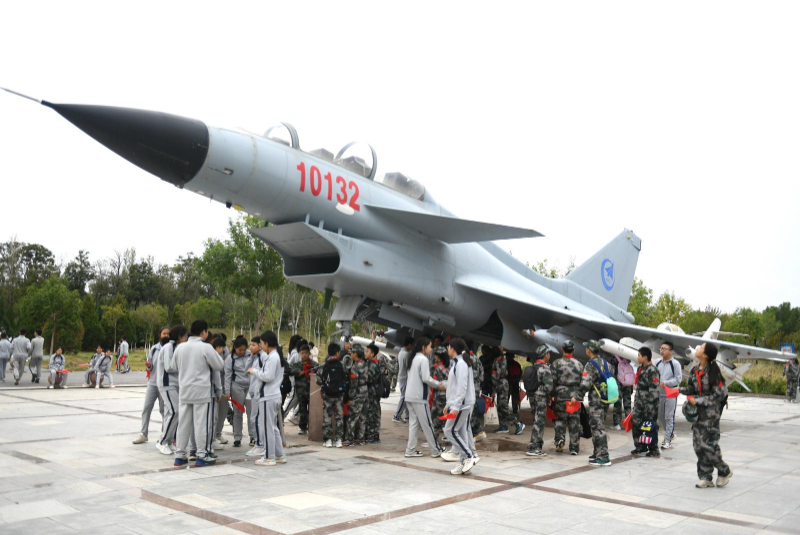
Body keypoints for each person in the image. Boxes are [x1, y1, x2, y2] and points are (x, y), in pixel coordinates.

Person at [167, 320, 225, 467]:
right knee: (201, 424)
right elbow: (218, 365)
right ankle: (202, 455)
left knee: (183, 424)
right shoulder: (206, 347)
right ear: (204, 332)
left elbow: (173, 366)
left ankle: (180, 455)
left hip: (185, 391)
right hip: (201, 392)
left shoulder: (180, 347)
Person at [680, 342, 732, 488]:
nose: (697, 348)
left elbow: (720, 394)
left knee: (708, 445)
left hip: (711, 415)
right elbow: (691, 388)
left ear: (705, 355)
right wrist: (677, 390)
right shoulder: (695, 370)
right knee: (698, 446)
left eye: (701, 347)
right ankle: (705, 477)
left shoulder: (714, 372)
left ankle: (724, 470)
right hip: (698, 415)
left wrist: (698, 401)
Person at [248, 331, 286, 466]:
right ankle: (280, 454)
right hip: (273, 395)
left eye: (262, 343)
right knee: (273, 427)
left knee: (267, 427)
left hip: (268, 396)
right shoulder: (276, 356)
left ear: (267, 343)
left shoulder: (272, 357)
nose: (261, 345)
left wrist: (253, 371)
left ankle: (269, 457)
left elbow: (267, 376)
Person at [404, 337, 446, 459]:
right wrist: (438, 384)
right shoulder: (423, 359)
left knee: (414, 424)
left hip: (410, 395)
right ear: (423, 347)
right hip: (419, 397)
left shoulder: (413, 358)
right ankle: (435, 450)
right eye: (429, 346)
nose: (431, 349)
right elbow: (426, 378)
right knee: (427, 424)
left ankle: (410, 450)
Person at [572, 340, 611, 466]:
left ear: (589, 350)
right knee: (597, 426)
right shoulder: (606, 363)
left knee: (598, 428)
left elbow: (585, 383)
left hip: (596, 400)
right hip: (605, 399)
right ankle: (597, 452)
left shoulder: (590, 364)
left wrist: (577, 397)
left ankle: (603, 457)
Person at [443, 338, 477, 476]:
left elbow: (462, 387)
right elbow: (454, 387)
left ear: (453, 349)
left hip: (462, 405)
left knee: (449, 430)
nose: (447, 349)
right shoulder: (457, 363)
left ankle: (469, 456)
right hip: (459, 404)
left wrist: (456, 406)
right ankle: (463, 462)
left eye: (449, 347)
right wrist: (449, 404)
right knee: (461, 433)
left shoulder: (461, 364)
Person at [132, 327, 169, 445]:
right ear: (160, 335)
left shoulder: (171, 349)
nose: (166, 336)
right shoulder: (154, 349)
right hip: (152, 383)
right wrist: (148, 366)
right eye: (164, 333)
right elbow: (150, 367)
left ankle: (164, 434)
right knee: (147, 408)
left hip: (165, 385)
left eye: (168, 334)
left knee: (164, 410)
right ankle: (143, 433)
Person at [155, 325, 187, 455]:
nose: (186, 338)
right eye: (185, 336)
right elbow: (169, 367)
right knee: (175, 411)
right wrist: (184, 367)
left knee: (172, 413)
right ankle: (162, 442)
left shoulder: (177, 347)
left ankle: (168, 441)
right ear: (179, 336)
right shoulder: (169, 347)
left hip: (174, 384)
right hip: (167, 383)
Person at [553, 341, 582, 455]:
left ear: (562, 349)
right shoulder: (579, 364)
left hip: (560, 396)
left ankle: (560, 440)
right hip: (574, 397)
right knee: (574, 421)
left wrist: (551, 395)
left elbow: (552, 381)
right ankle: (574, 447)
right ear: (574, 350)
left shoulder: (556, 363)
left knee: (560, 420)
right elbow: (583, 382)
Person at [631, 347, 661, 457]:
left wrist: (650, 407)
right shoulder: (640, 369)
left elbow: (654, 390)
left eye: (639, 355)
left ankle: (654, 449)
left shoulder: (652, 370)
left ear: (645, 357)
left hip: (649, 404)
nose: (638, 357)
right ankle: (640, 446)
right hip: (639, 403)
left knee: (650, 425)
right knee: (636, 423)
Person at [526, 345, 554, 457]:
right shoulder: (545, 368)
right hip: (541, 398)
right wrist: (550, 397)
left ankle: (537, 445)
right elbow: (549, 387)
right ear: (545, 355)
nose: (549, 355)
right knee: (539, 422)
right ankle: (533, 447)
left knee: (536, 420)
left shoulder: (534, 367)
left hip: (532, 396)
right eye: (548, 353)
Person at [317, 342, 346, 448]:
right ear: (337, 353)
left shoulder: (324, 365)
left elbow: (318, 379)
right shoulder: (342, 364)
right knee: (339, 417)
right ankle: (338, 440)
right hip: (339, 395)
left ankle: (328, 440)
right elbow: (345, 378)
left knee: (327, 417)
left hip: (327, 395)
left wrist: (324, 385)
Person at [225, 336, 252, 447]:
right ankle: (237, 437)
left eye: (244, 350)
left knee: (251, 412)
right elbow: (227, 376)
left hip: (250, 387)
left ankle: (253, 436)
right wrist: (227, 391)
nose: (242, 352)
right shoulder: (230, 359)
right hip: (237, 387)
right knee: (237, 413)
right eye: (239, 350)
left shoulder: (251, 355)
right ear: (234, 348)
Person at [492, 346, 525, 435]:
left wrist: (493, 390)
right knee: (500, 407)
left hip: (500, 385)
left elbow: (496, 376)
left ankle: (518, 423)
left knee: (504, 407)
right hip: (504, 384)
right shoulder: (503, 360)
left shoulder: (497, 362)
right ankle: (503, 426)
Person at [656, 341, 682, 448]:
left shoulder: (675, 364)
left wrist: (665, 383)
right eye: (661, 348)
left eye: (665, 349)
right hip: (659, 394)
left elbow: (678, 379)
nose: (662, 350)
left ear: (671, 351)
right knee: (660, 416)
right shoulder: (657, 362)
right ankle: (670, 433)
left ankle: (667, 440)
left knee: (669, 417)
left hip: (670, 394)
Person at [290, 344, 317, 436]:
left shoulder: (314, 365)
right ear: (299, 354)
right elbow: (290, 370)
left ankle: (311, 427)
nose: (304, 355)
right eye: (302, 353)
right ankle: (302, 427)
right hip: (300, 391)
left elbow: (319, 372)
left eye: (306, 353)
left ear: (309, 353)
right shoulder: (297, 365)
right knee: (302, 410)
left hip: (311, 391)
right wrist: (299, 372)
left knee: (312, 410)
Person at [245, 336, 266, 455]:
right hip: (253, 391)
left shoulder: (263, 357)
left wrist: (253, 370)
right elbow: (246, 369)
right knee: (254, 418)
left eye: (253, 345)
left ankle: (260, 445)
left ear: (260, 346)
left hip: (259, 392)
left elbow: (264, 374)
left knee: (256, 419)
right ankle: (258, 443)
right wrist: (251, 357)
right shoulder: (255, 357)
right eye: (250, 345)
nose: (251, 347)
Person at [345, 345, 369, 446]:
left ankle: (349, 439)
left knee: (352, 417)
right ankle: (361, 438)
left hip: (357, 394)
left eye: (352, 353)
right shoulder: (365, 364)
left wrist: (350, 397)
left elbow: (354, 383)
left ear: (355, 354)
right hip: (365, 392)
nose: (350, 354)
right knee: (363, 418)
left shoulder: (355, 367)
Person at [430, 346, 451, 445]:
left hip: (440, 396)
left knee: (436, 417)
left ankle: (433, 440)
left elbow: (436, 382)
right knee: (445, 417)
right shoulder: (448, 366)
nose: (434, 357)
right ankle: (449, 438)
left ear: (439, 356)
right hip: (445, 395)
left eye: (436, 355)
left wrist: (441, 385)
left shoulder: (439, 368)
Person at [213, 333, 230, 447]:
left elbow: (227, 368)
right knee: (213, 415)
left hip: (223, 386)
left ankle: (217, 434)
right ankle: (211, 437)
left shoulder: (225, 351)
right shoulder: (209, 351)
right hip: (213, 388)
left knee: (223, 411)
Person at [392, 337, 414, 423]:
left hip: (402, 377)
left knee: (407, 398)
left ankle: (407, 416)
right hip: (405, 378)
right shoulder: (406, 354)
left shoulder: (401, 352)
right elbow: (409, 367)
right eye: (412, 345)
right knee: (404, 397)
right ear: (409, 345)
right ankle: (397, 416)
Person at [365, 343, 382, 444]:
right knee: (374, 413)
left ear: (372, 354)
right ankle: (374, 435)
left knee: (371, 414)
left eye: (367, 351)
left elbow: (369, 379)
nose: (365, 353)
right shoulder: (373, 363)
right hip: (374, 394)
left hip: (372, 393)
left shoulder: (371, 365)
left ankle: (372, 436)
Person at [470, 351, 486, 441]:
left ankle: (477, 431)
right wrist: (478, 384)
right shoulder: (477, 359)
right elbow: (482, 375)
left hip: (470, 387)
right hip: (476, 386)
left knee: (471, 411)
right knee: (473, 410)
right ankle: (477, 430)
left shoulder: (465, 359)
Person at [506, 351, 523, 417]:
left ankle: (505, 411)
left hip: (508, 383)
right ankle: (515, 410)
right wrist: (517, 380)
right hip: (515, 383)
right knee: (515, 397)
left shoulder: (506, 364)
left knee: (506, 397)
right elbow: (520, 373)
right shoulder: (517, 364)